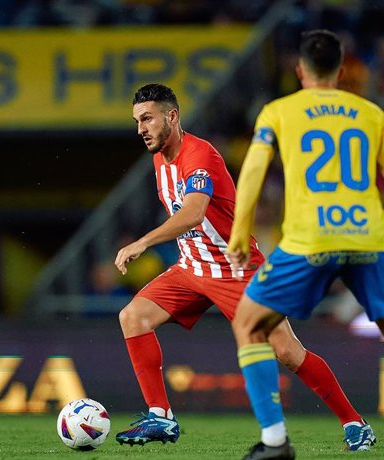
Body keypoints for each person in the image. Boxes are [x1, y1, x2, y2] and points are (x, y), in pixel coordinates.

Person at [227, 30, 384, 460]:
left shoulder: (278, 111)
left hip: (309, 239)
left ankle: (275, 440)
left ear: (300, 70)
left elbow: (254, 171)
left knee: (249, 324)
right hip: (369, 236)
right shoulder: (370, 114)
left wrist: (240, 234)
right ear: (341, 69)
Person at [113, 83, 370, 450]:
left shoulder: (200, 155)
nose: (141, 128)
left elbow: (193, 213)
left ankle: (355, 423)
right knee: (132, 316)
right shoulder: (159, 160)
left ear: (172, 116)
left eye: (148, 118)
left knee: (287, 352)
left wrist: (143, 241)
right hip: (192, 268)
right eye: (138, 120)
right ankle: (160, 416)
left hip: (236, 270)